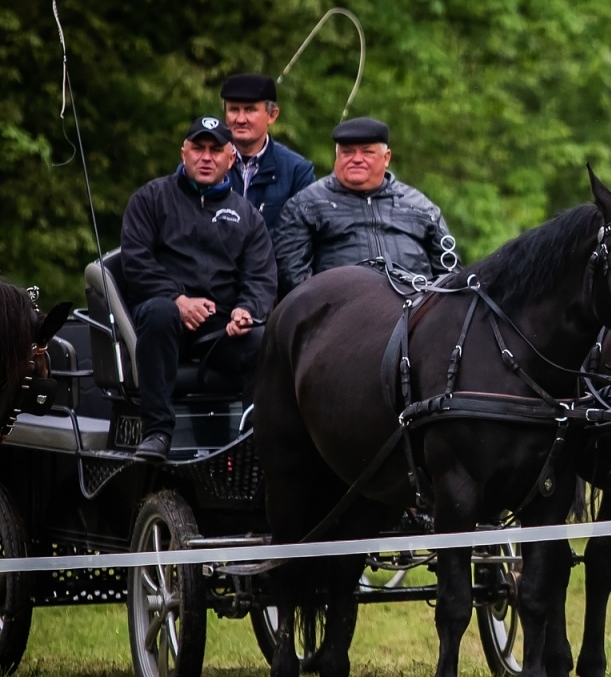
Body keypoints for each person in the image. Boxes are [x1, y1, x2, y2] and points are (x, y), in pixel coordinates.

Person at [120, 117, 277, 462]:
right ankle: (158, 432)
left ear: (230, 159)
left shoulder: (247, 216)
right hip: (162, 319)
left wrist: (246, 311)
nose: (206, 157)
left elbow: (261, 277)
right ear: (184, 153)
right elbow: (135, 262)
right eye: (198, 148)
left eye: (215, 150)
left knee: (264, 340)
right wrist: (178, 299)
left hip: (219, 329)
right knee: (159, 312)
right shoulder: (151, 199)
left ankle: (255, 440)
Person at [272, 117, 457, 295]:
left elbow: (449, 271)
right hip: (337, 312)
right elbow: (292, 276)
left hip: (414, 313)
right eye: (347, 152)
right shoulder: (306, 206)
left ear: (386, 158)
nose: (357, 159)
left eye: (367, 152)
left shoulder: (421, 207)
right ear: (337, 157)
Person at [221, 73, 316, 235]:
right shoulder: (205, 163)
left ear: (272, 115)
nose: (241, 119)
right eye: (234, 110)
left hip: (273, 260)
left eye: (250, 110)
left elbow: (303, 237)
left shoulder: (297, 171)